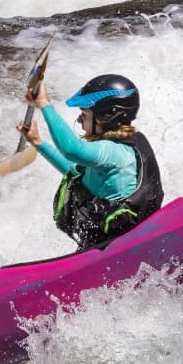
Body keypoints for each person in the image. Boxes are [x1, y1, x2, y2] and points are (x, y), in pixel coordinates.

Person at [18, 74, 164, 250]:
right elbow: (75, 172)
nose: (79, 120)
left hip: (122, 247)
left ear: (106, 116)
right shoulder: (114, 149)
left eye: (84, 114)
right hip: (106, 246)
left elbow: (72, 149)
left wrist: (45, 104)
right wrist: (38, 143)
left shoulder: (115, 152)